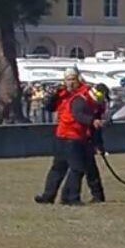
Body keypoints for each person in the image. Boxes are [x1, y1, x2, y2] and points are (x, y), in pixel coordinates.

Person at [34, 67, 103, 205]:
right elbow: (49, 107)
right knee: (58, 168)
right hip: (62, 134)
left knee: (78, 168)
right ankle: (48, 196)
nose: (70, 83)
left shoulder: (85, 94)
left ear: (78, 79)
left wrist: (94, 125)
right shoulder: (62, 93)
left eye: (72, 79)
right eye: (67, 80)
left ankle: (71, 197)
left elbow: (85, 112)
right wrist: (52, 96)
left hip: (76, 135)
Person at [83, 83, 111, 203]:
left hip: (89, 138)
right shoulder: (84, 100)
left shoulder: (99, 106)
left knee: (90, 168)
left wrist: (99, 145)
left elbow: (97, 129)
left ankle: (98, 196)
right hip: (77, 137)